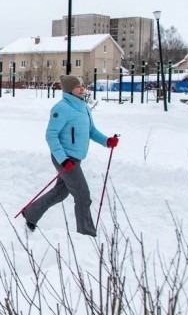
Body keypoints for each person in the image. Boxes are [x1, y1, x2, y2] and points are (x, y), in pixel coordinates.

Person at [22, 75, 119, 237]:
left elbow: (91, 131)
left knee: (60, 193)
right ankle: (86, 234)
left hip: (75, 159)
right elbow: (51, 136)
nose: (82, 88)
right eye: (78, 86)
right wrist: (63, 160)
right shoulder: (61, 108)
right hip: (64, 159)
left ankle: (31, 214)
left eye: (82, 85)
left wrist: (107, 141)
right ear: (69, 90)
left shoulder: (84, 107)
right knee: (83, 196)